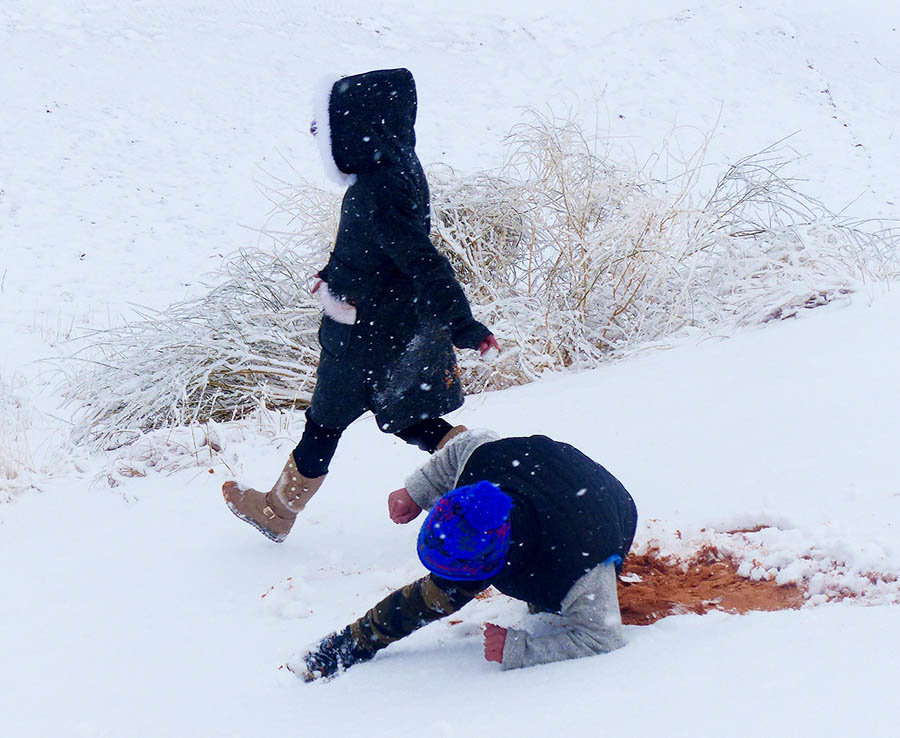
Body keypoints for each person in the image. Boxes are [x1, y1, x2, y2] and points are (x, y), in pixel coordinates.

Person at [222, 68, 498, 542]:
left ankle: (276, 511)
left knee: (323, 426)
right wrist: (336, 276)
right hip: (400, 324)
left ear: (359, 129)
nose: (318, 135)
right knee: (415, 420)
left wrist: (464, 325)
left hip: (364, 337)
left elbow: (422, 260)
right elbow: (385, 254)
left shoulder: (376, 190)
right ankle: (489, 482)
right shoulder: (398, 169)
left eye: (327, 126)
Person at [293, 429, 638, 680]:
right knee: (435, 595)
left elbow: (602, 636)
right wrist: (417, 490)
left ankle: (537, 597)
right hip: (535, 467)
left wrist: (521, 650)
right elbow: (463, 446)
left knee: (548, 605)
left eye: (458, 570)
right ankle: (351, 644)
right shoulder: (482, 463)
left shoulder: (580, 567)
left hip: (606, 510)